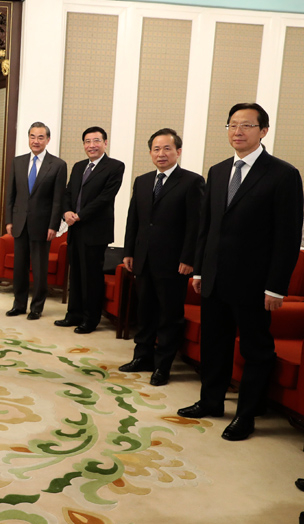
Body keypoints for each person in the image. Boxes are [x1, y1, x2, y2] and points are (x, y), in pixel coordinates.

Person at [178, 102, 303, 441]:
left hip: (255, 284)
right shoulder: (218, 171)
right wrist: (200, 271)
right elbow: (207, 227)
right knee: (214, 345)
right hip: (215, 279)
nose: (238, 131)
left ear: (263, 131)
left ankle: (247, 415)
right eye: (233, 124)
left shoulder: (283, 174)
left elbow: (288, 236)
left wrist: (276, 287)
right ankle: (211, 401)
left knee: (255, 350)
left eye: (247, 125)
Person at [119, 129, 204, 386]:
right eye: (156, 149)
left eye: (167, 148)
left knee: (169, 315)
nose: (161, 153)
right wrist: (129, 251)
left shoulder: (192, 181)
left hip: (174, 263)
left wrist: (189, 258)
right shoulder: (142, 181)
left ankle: (163, 365)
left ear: (178, 151)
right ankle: (142, 357)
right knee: (144, 311)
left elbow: (196, 225)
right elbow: (134, 219)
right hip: (143, 259)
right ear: (150, 153)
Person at [54, 126, 124, 334]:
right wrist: (67, 212)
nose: (91, 145)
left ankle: (90, 319)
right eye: (87, 141)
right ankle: (73, 314)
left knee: (91, 276)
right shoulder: (79, 166)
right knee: (75, 274)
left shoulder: (115, 166)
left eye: (96, 141)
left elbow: (105, 198)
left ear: (105, 143)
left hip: (95, 231)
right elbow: (68, 193)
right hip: (75, 229)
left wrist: (79, 215)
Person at [3, 122, 67, 320]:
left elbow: (58, 200)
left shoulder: (58, 165)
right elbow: (11, 194)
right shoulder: (18, 162)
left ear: (48, 140)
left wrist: (53, 226)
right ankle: (19, 305)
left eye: (40, 137)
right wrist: (9, 220)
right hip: (20, 223)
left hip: (42, 225)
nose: (36, 141)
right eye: (32, 136)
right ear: (28, 138)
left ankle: (37, 307)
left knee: (39, 269)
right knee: (20, 268)